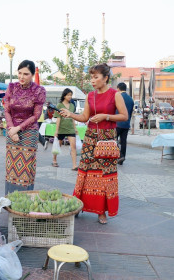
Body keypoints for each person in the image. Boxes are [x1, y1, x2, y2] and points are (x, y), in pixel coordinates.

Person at [60, 63, 128, 224]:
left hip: (107, 139)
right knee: (85, 172)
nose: (92, 80)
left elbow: (124, 116)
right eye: (91, 77)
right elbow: (85, 117)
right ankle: (79, 205)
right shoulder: (90, 95)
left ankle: (101, 212)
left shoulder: (115, 95)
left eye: (96, 77)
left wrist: (106, 116)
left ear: (105, 78)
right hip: (91, 138)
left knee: (105, 175)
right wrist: (70, 114)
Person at [4, 60, 46, 194]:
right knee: (11, 168)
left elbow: (36, 116)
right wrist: (12, 129)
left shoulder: (39, 91)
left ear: (32, 75)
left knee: (26, 169)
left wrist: (18, 128)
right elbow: (6, 111)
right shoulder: (11, 87)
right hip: (12, 131)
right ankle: (10, 201)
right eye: (20, 73)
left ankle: (24, 200)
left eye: (26, 74)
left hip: (29, 132)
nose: (21, 77)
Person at [52, 88, 78, 170]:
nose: (70, 96)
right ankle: (54, 160)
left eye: (71, 95)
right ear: (64, 95)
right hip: (61, 128)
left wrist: (75, 128)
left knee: (73, 146)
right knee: (58, 145)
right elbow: (58, 118)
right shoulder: (59, 105)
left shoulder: (72, 105)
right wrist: (56, 131)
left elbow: (73, 117)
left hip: (70, 128)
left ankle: (74, 165)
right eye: (68, 95)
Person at [116, 82, 134, 165]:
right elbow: (130, 113)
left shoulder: (118, 97)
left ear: (118, 88)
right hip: (126, 124)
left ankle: (119, 155)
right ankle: (122, 156)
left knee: (114, 140)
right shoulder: (131, 99)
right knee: (123, 141)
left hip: (117, 122)